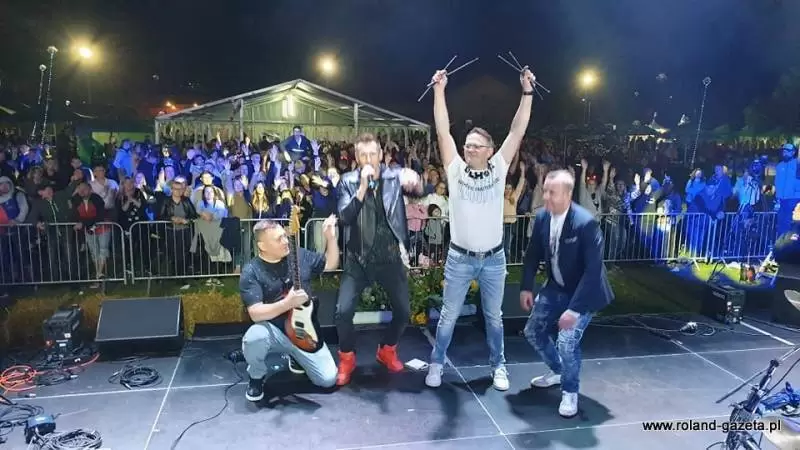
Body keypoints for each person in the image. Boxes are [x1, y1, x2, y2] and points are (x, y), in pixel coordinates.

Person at [425, 67, 535, 391]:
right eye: (467, 145)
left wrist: (527, 92)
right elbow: (442, 131)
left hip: (494, 260)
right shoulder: (455, 170)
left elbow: (517, 130)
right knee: (448, 315)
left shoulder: (499, 167)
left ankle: (498, 366)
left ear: (489, 149)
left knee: (494, 317)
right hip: (459, 259)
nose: (468, 149)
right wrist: (439, 91)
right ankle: (436, 363)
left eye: (475, 146)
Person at [519, 170, 614, 417]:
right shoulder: (542, 217)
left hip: (584, 293)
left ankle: (570, 391)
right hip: (556, 287)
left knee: (567, 342)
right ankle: (559, 370)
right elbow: (532, 255)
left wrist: (574, 310)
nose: (546, 197)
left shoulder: (585, 223)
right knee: (533, 331)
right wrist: (526, 286)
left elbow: (593, 271)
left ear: (568, 195)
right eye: (545, 191)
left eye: (552, 193)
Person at [334, 133, 423, 386]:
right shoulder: (348, 181)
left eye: (373, 154)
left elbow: (419, 191)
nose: (368, 159)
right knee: (342, 312)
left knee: (403, 311)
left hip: (389, 256)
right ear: (356, 157)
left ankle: (387, 349)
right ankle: (347, 357)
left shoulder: (394, 176)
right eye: (363, 155)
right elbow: (344, 217)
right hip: (359, 259)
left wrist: (416, 181)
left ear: (381, 155)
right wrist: (362, 188)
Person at [239, 216, 340, 402]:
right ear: (262, 246)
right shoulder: (251, 271)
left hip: (305, 332)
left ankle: (296, 357)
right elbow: (255, 313)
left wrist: (331, 238)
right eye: (279, 239)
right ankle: (256, 375)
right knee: (254, 338)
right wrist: (287, 304)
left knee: (328, 379)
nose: (286, 241)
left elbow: (330, 264)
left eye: (285, 236)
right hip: (274, 332)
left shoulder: (299, 255)